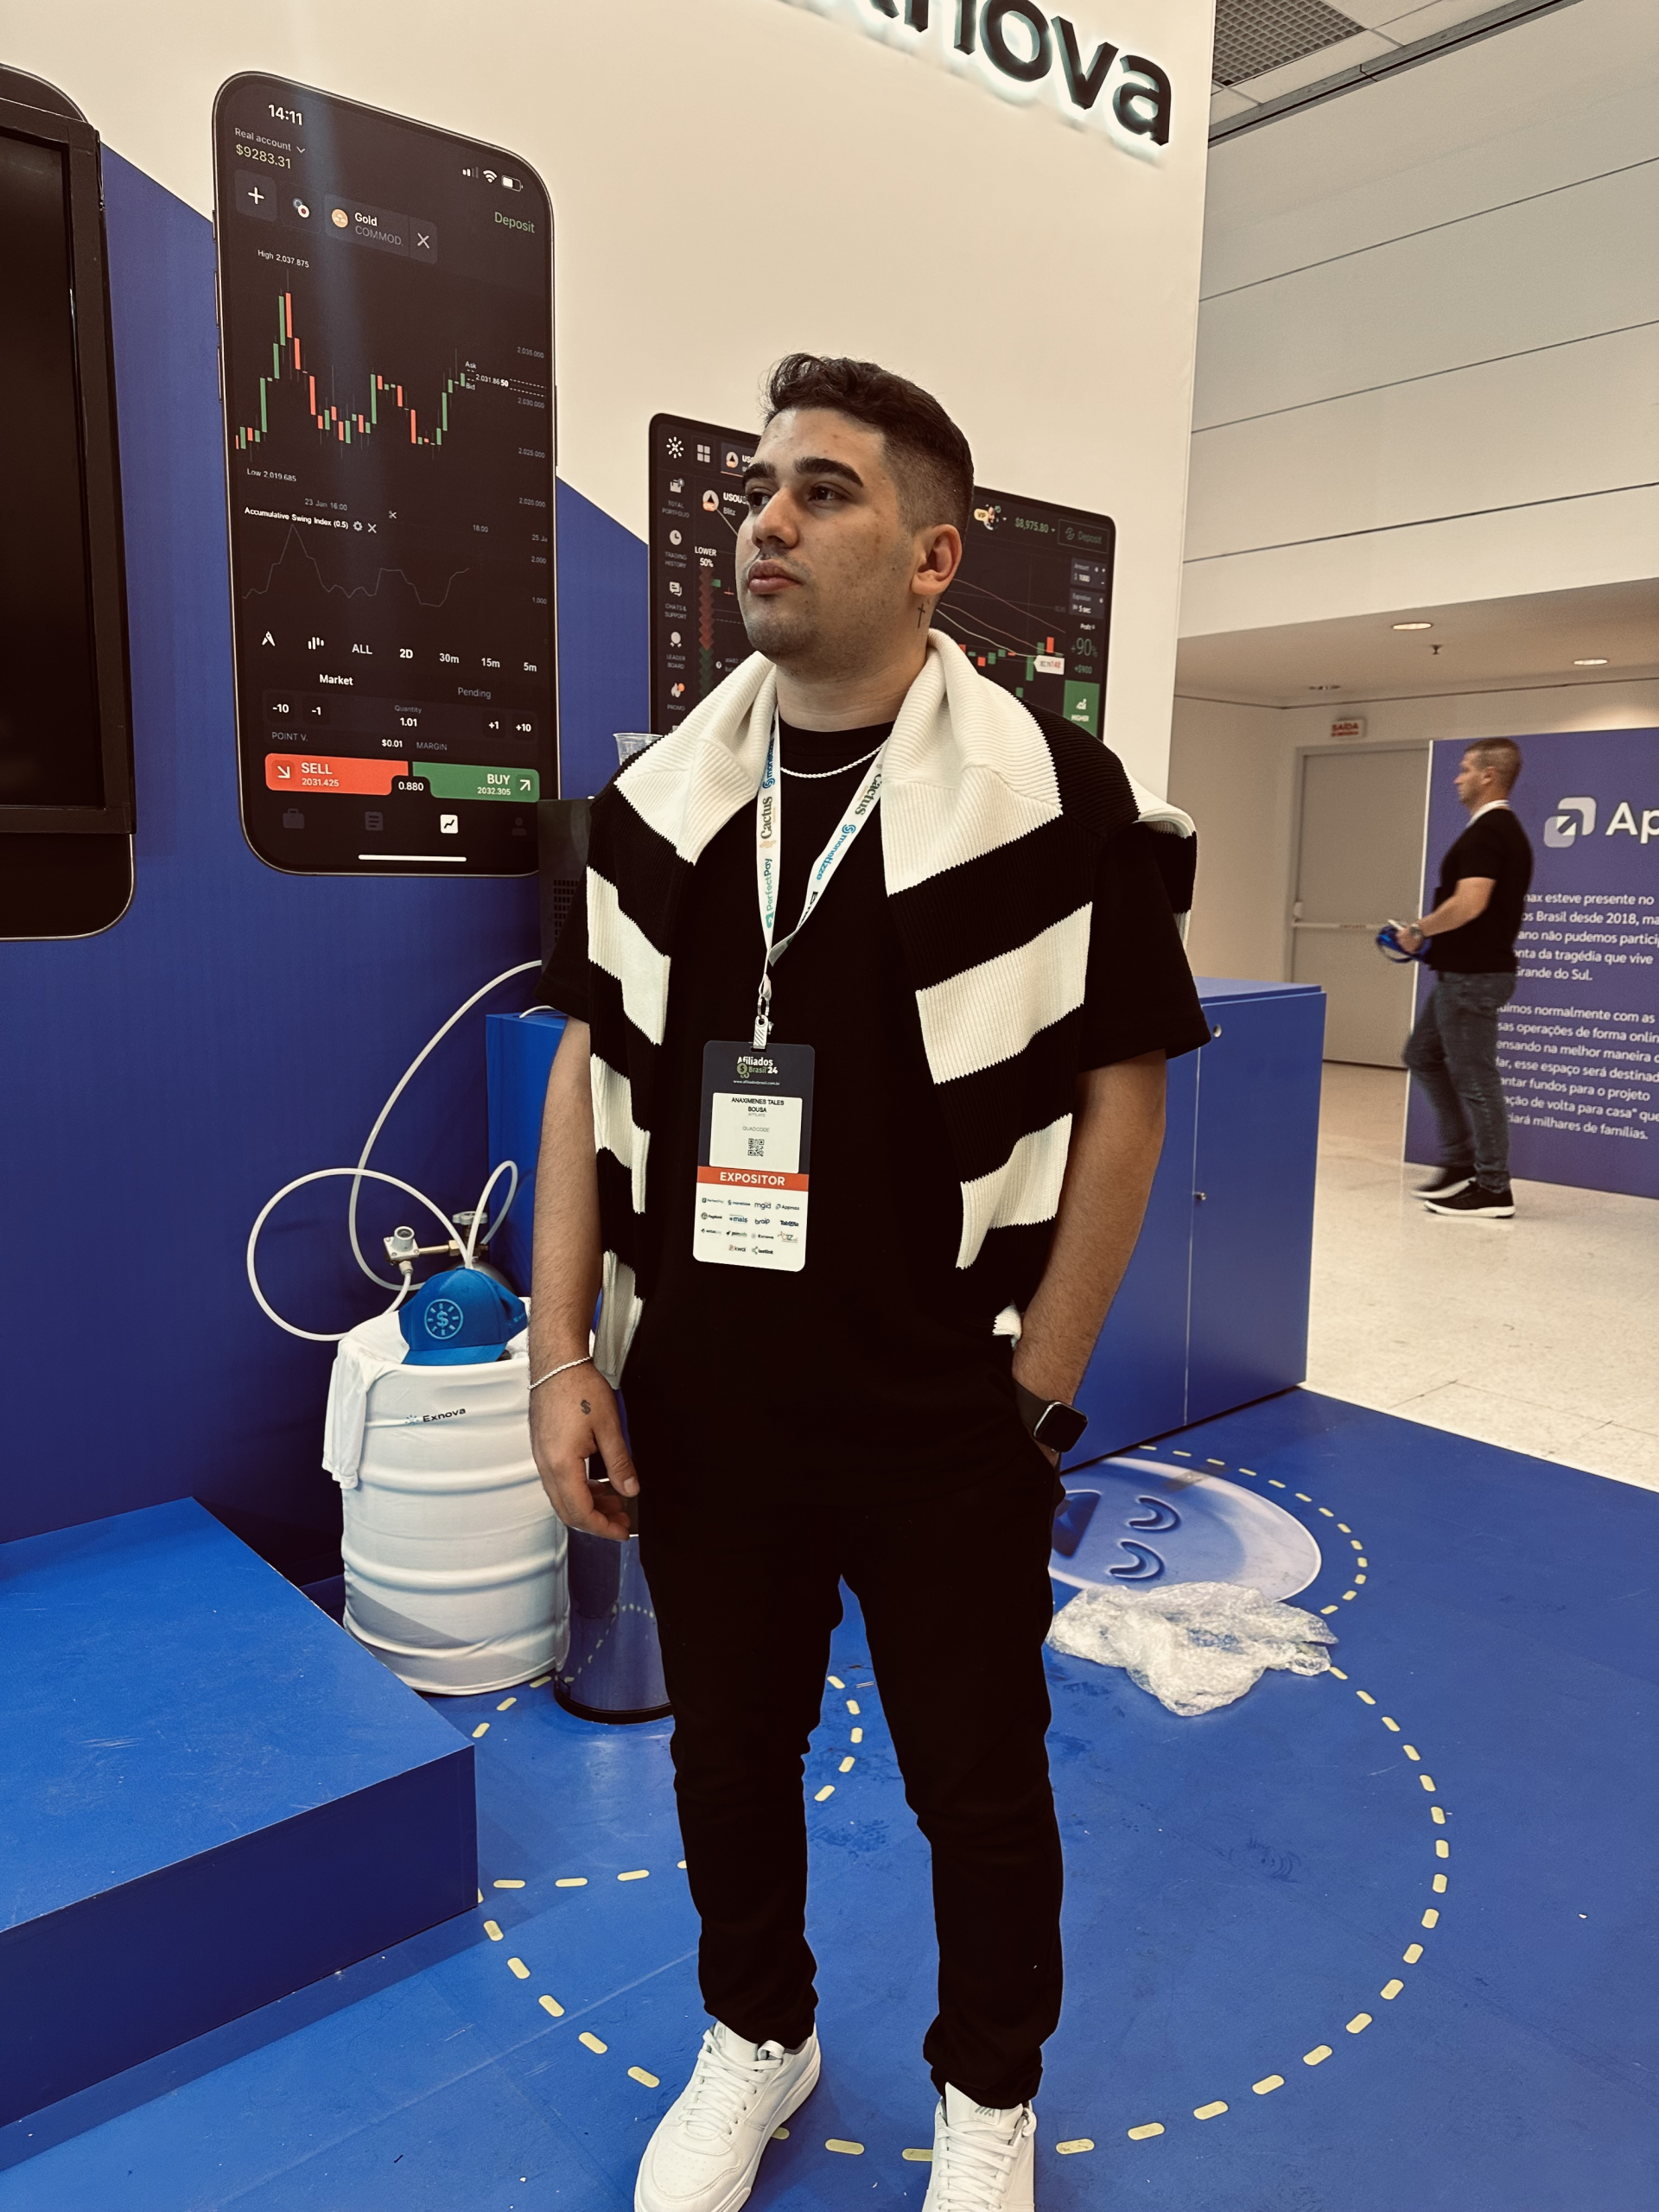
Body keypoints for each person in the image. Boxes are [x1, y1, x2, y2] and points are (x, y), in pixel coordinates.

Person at [527, 353, 1209, 2212]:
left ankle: (991, 2089)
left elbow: (1124, 1097)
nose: (766, 519)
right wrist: (562, 1354)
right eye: (759, 489)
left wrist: (1036, 1395)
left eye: (822, 489)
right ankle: (759, 2033)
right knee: (727, 1763)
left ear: (932, 554)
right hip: (707, 1402)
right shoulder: (654, 810)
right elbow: (586, 1070)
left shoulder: (1057, 803)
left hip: (943, 1413)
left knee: (977, 1786)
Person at [1396, 738, 1533, 1218]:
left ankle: (1493, 1188)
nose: (1457, 778)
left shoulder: (1490, 831)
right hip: (1461, 973)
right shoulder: (1495, 830)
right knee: (1421, 1055)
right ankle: (1459, 1162)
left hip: (1474, 976)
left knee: (1476, 1078)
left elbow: (1470, 903)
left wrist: (1418, 930)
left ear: (1489, 775)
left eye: (1465, 770)